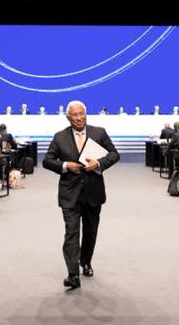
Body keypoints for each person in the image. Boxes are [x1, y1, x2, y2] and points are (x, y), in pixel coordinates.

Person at [42, 100, 120, 290]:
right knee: (71, 233)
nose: (78, 118)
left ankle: (86, 261)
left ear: (86, 114)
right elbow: (47, 160)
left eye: (81, 114)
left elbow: (114, 154)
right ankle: (73, 274)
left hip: (93, 192)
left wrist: (99, 163)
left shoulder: (99, 133)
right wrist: (65, 165)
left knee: (90, 232)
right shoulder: (60, 137)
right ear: (68, 117)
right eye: (74, 115)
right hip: (69, 194)